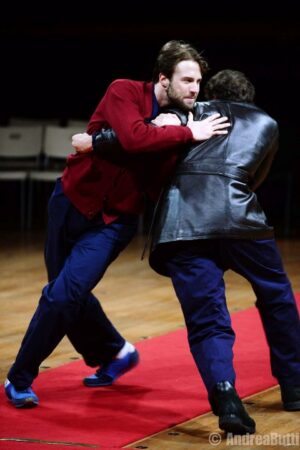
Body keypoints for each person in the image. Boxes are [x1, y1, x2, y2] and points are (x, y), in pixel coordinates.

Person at [4, 40, 230, 408]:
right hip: (71, 201)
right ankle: (114, 352)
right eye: (187, 80)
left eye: (198, 82)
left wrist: (102, 141)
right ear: (163, 79)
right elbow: (133, 138)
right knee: (64, 291)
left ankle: (19, 377)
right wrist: (180, 134)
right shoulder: (123, 90)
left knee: (63, 295)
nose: (194, 89)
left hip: (114, 222)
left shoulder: (188, 121)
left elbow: (144, 155)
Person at [89, 70, 300, 436]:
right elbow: (256, 178)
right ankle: (295, 385)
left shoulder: (188, 112)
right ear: (247, 99)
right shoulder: (267, 123)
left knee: (207, 317)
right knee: (277, 295)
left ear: (209, 93)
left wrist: (94, 141)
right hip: (241, 221)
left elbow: (131, 138)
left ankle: (226, 394)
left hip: (182, 227)